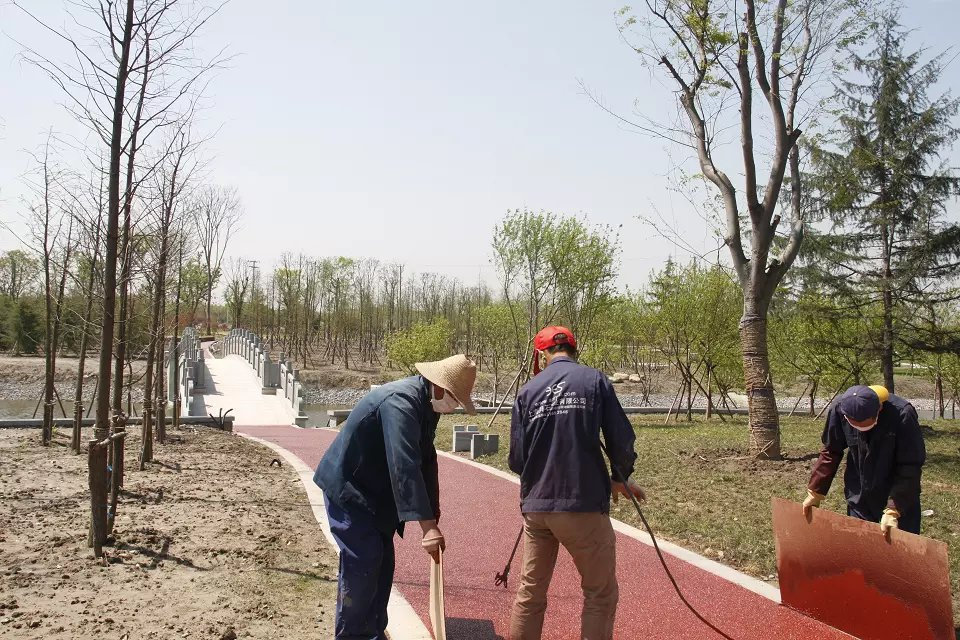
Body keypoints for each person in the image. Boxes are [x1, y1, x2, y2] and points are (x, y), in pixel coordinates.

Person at [313, 354, 477, 640]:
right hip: (351, 489)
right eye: (453, 397)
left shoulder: (427, 406)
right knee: (363, 561)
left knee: (383, 563)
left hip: (376, 493)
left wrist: (433, 516)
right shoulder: (400, 402)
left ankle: (373, 630)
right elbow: (404, 463)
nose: (453, 406)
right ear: (438, 387)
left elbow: (426, 459)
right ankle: (351, 635)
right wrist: (426, 527)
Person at [508, 326, 644, 640]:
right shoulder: (594, 380)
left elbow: (517, 460)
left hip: (537, 510)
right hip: (582, 505)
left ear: (542, 355)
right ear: (573, 348)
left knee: (530, 593)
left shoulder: (527, 392)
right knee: (599, 593)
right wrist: (619, 477)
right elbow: (621, 440)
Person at [803, 384, 926, 535]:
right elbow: (831, 451)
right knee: (862, 549)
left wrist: (894, 508)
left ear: (879, 409)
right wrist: (815, 491)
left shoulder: (902, 414)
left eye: (867, 424)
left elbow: (910, 465)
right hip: (859, 496)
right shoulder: (839, 409)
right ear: (845, 416)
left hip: (898, 494)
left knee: (900, 552)